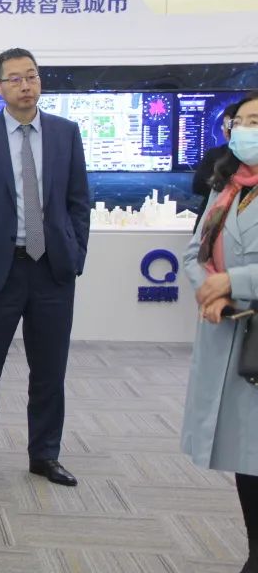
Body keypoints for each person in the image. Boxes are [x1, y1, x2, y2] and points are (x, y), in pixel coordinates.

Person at [0, 47, 90, 488]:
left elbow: (78, 201)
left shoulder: (66, 132)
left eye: (32, 76)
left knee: (49, 371)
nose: (26, 85)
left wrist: (76, 253)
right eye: (15, 78)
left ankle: (45, 454)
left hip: (52, 269)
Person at [182, 90, 258, 573]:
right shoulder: (227, 187)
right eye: (243, 121)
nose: (248, 130)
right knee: (246, 455)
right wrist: (210, 289)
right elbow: (195, 251)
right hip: (229, 328)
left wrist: (236, 281)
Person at [193, 105, 237, 230]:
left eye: (231, 125)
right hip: (210, 221)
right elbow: (198, 186)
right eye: (224, 125)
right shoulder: (214, 154)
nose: (226, 130)